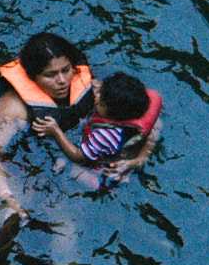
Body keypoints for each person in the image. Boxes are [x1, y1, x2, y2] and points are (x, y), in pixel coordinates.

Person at [0, 32, 96, 217]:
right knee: (4, 218)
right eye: (51, 75)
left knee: (65, 237)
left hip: (63, 169)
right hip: (18, 170)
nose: (62, 80)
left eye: (66, 70)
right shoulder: (12, 107)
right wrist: (7, 197)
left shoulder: (88, 84)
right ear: (33, 77)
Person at [27, 71, 163, 196]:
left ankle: (102, 187)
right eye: (100, 91)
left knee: (68, 167)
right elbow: (157, 124)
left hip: (101, 171)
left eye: (101, 102)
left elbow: (77, 156)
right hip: (126, 151)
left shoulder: (106, 135)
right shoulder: (139, 107)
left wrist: (56, 131)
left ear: (113, 115)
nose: (96, 97)